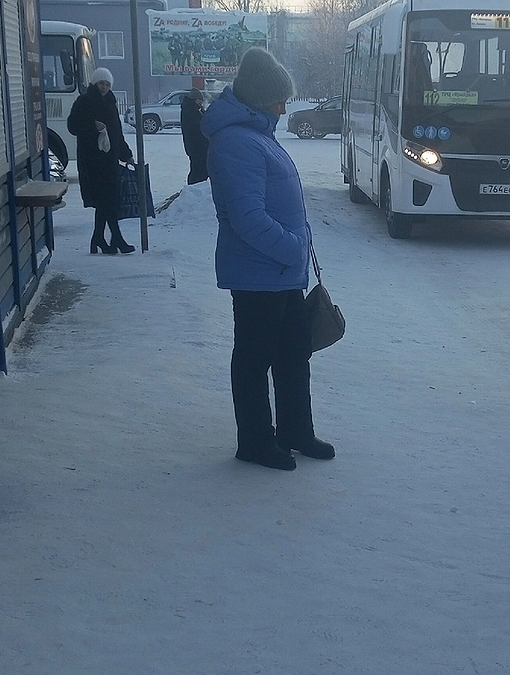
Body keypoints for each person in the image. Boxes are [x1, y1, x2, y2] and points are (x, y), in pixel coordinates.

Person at [202, 47, 334, 471]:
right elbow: (247, 217)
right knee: (255, 359)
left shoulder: (258, 134)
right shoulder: (236, 142)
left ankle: (295, 430)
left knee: (294, 354)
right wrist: (293, 247)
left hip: (281, 272)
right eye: (278, 99)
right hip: (259, 273)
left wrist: (295, 252)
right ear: (259, 99)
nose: (284, 106)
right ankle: (256, 442)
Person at [67, 67, 135, 254]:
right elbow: (72, 125)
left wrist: (126, 154)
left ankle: (99, 238)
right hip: (92, 161)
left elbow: (116, 134)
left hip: (109, 160)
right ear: (94, 83)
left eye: (107, 84)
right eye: (101, 83)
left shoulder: (111, 103)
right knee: (107, 201)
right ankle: (115, 238)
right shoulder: (84, 101)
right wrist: (91, 125)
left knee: (107, 201)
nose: (104, 87)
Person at [180, 88, 209, 184]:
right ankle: (194, 188)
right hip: (197, 146)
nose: (201, 102)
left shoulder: (190, 109)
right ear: (195, 100)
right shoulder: (192, 111)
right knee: (199, 170)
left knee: (196, 168)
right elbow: (200, 127)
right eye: (200, 100)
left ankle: (193, 187)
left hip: (193, 146)